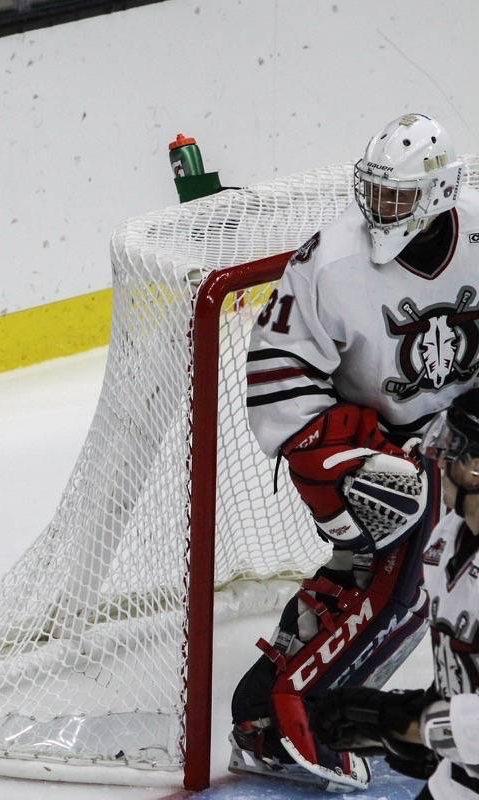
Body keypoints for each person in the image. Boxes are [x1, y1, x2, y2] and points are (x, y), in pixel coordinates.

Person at [229, 112, 475, 792]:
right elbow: (277, 375)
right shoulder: (330, 261)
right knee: (405, 581)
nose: (378, 209)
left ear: (438, 194)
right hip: (376, 451)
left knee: (389, 577)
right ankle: (283, 719)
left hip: (462, 432)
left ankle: (267, 705)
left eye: (395, 197)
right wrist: (339, 473)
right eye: (373, 191)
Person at [310, 388, 479, 800]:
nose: (439, 456)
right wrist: (422, 725)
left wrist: (403, 721)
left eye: (455, 447)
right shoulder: (447, 540)